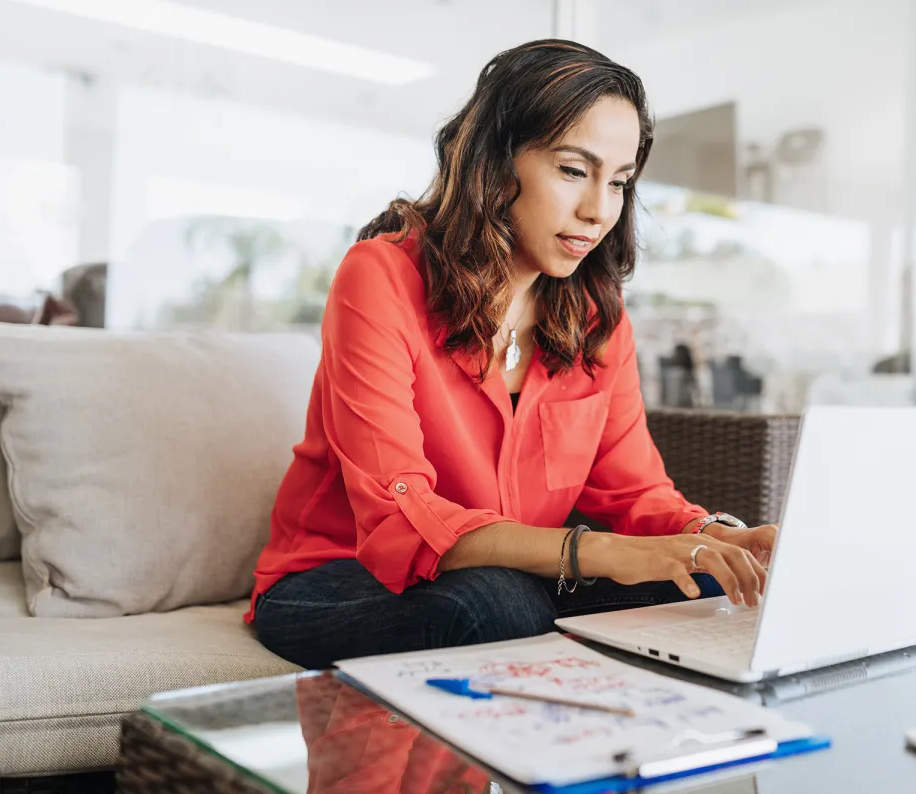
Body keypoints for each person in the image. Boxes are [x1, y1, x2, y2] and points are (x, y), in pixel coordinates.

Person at [247, 39, 777, 669]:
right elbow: (401, 519)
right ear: (497, 163)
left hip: (522, 576)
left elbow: (636, 495)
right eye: (573, 170)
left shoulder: (595, 320)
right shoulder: (381, 277)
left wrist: (715, 538)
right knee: (496, 605)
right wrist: (602, 555)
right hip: (339, 579)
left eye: (620, 182)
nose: (598, 210)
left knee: (714, 583)